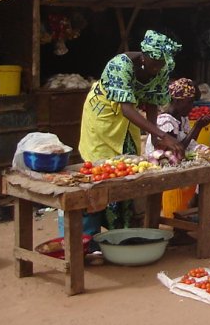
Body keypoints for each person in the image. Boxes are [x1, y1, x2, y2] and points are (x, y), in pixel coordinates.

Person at [77, 29, 184, 231]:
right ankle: (93, 234)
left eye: (161, 64)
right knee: (103, 166)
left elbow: (152, 101)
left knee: (129, 163)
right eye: (154, 63)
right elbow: (125, 109)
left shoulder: (162, 67)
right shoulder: (120, 65)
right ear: (144, 55)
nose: (157, 68)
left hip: (129, 116)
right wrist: (163, 135)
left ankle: (123, 228)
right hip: (104, 114)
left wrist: (154, 136)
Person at [145, 78, 210, 200]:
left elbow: (189, 142)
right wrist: (197, 127)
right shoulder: (166, 120)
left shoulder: (182, 118)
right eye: (190, 102)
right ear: (177, 100)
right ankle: (201, 200)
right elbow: (177, 151)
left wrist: (199, 127)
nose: (192, 107)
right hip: (165, 162)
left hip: (180, 157)